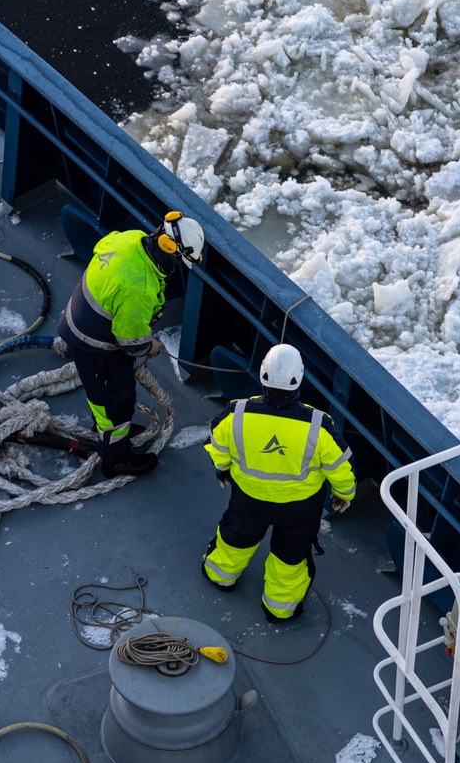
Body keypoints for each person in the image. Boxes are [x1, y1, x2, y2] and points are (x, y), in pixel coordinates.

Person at [202, 344, 357, 621]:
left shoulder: (236, 413)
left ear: (262, 375)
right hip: (299, 508)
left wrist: (222, 471)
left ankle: (220, 576)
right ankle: (279, 608)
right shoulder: (318, 426)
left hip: (248, 498)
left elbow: (217, 446)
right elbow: (339, 467)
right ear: (299, 379)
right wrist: (343, 494)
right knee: (290, 556)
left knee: (236, 537)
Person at [59, 211, 206, 478]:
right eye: (179, 259)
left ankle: (108, 429)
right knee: (117, 401)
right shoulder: (139, 288)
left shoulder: (133, 238)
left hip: (79, 317)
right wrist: (148, 345)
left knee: (107, 397)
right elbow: (129, 341)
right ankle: (115, 459)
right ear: (168, 248)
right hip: (93, 344)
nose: (178, 266)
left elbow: (100, 248)